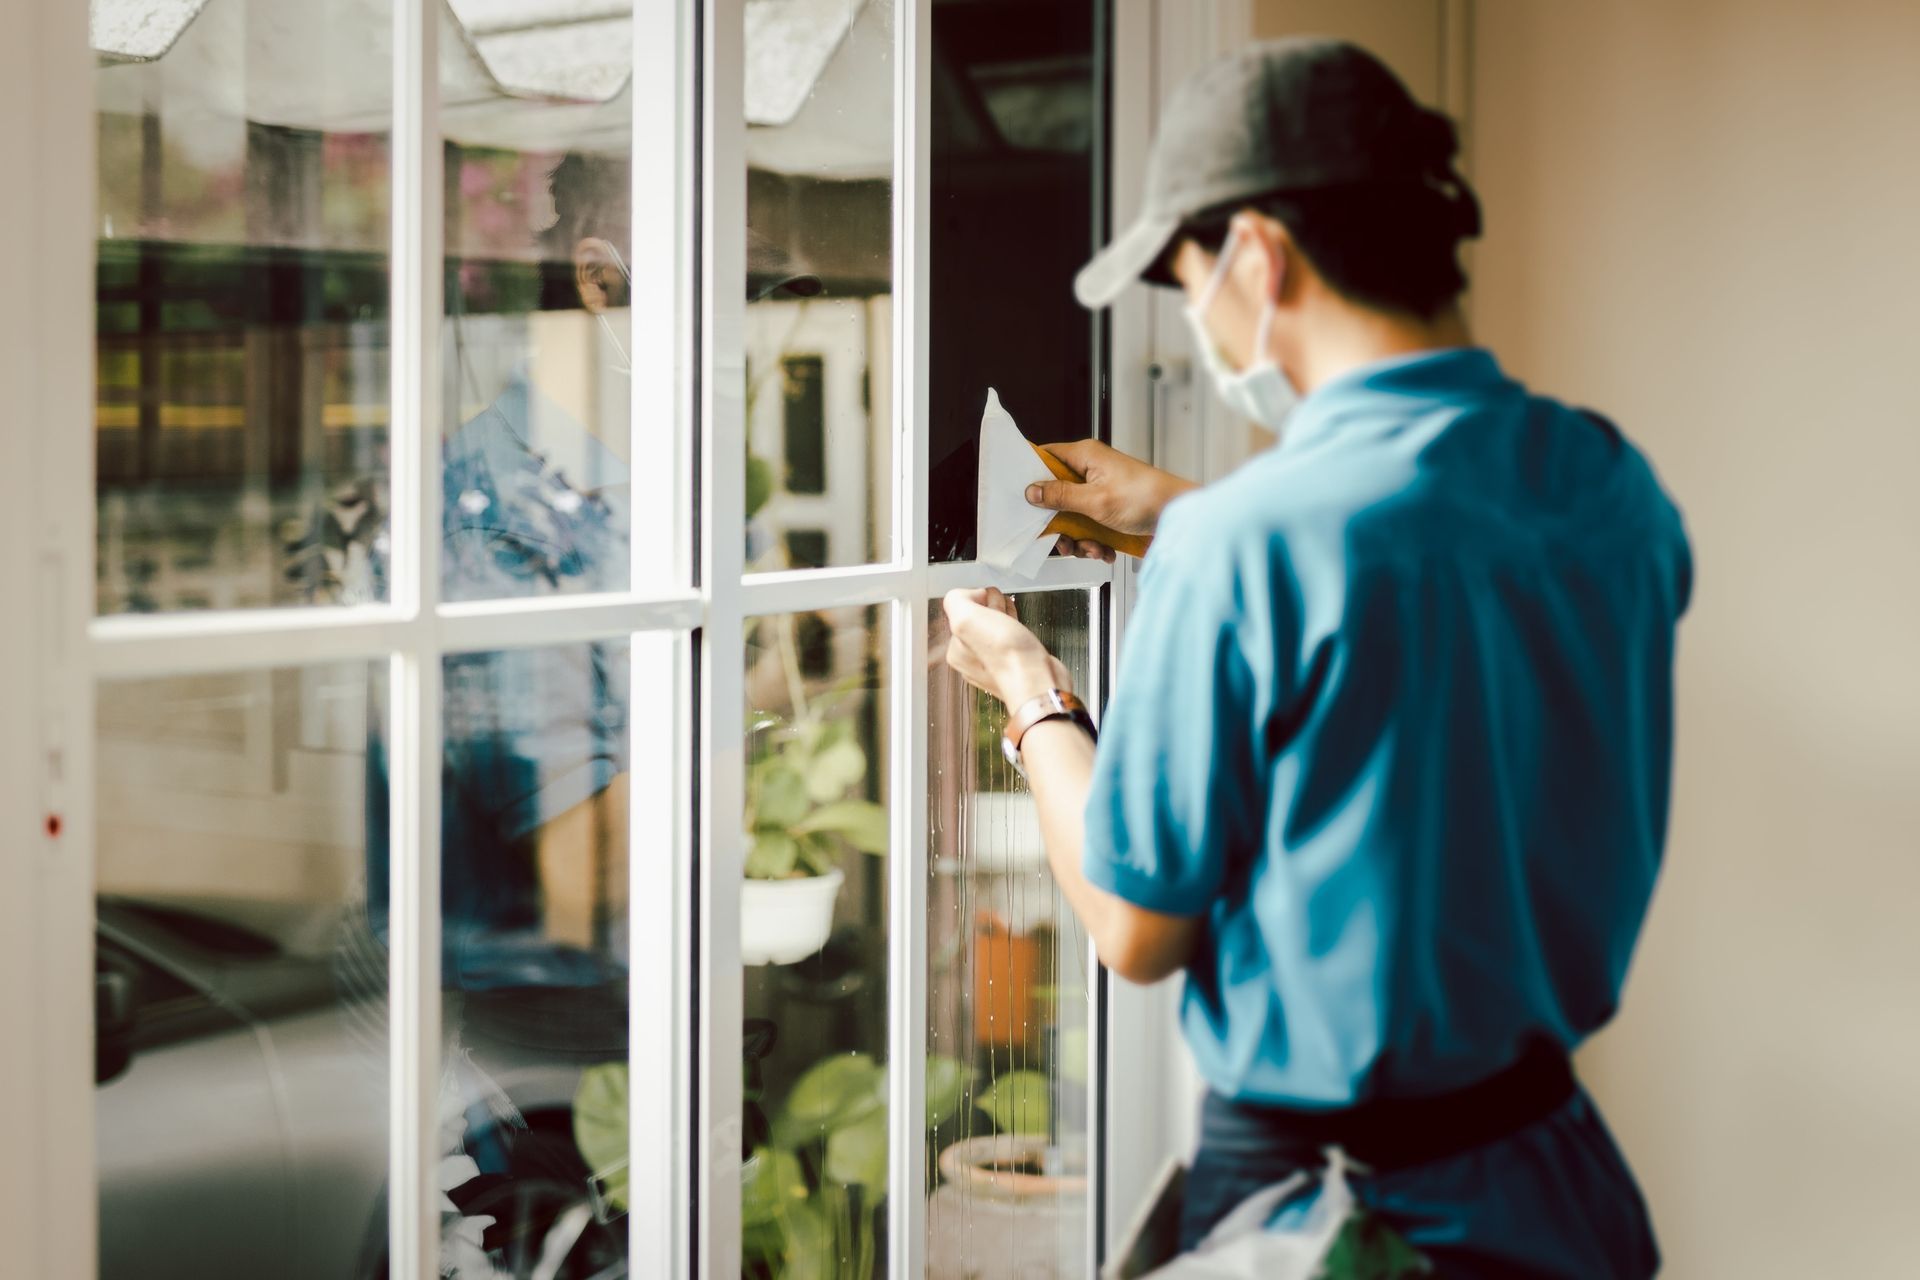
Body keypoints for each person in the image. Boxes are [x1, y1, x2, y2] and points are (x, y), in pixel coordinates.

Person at [942, 39, 1689, 1277]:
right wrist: (1182, 511)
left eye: (1188, 280)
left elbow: (1137, 928)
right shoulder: (1604, 479)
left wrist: (1032, 694)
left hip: (1336, 1210)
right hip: (1555, 1173)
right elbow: (1430, 574)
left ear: (1257, 256)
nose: (1194, 315)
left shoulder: (1247, 546)